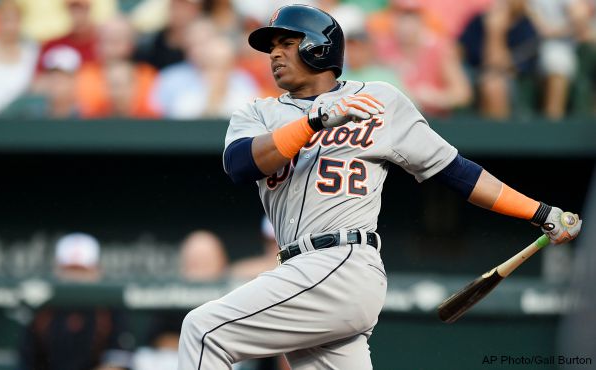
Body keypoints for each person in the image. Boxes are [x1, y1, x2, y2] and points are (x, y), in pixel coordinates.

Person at [178, 4, 583, 369]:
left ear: (319, 49)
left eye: (287, 42)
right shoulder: (259, 112)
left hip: (341, 262)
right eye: (271, 48)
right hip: (299, 267)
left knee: (203, 331)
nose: (275, 54)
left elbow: (456, 172)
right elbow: (240, 164)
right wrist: (316, 121)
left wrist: (540, 212)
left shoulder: (379, 100)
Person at [19, 232, 132, 370]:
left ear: (96, 271)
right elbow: (28, 360)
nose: (75, 277)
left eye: (82, 270)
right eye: (70, 270)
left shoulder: (110, 307)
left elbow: (118, 361)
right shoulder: (42, 308)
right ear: (57, 271)